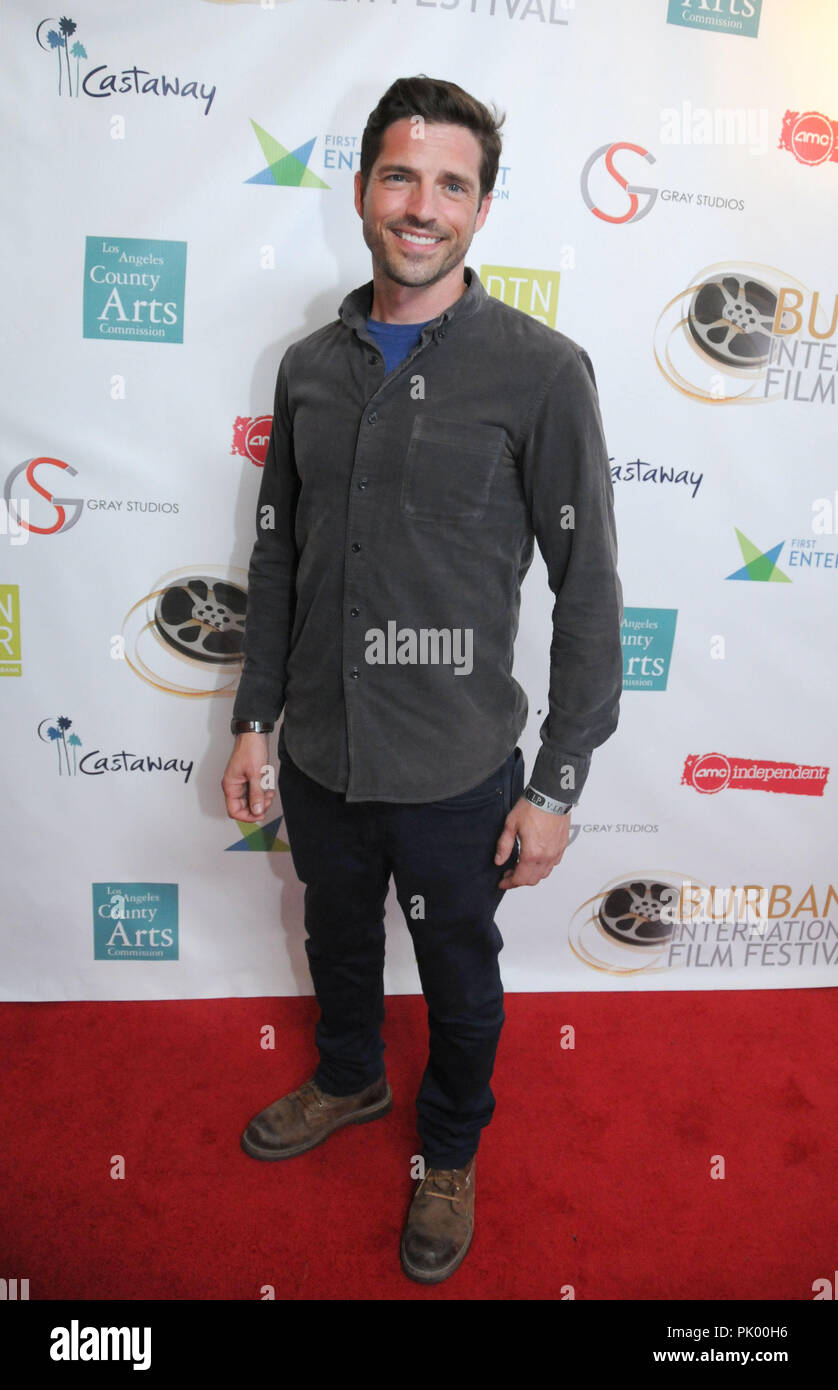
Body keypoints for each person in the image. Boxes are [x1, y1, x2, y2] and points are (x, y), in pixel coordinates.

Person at [222, 75, 622, 1286]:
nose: (421, 203)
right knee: (336, 943)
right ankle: (349, 1077)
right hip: (322, 756)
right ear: (360, 192)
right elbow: (280, 552)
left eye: (452, 183)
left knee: (461, 980)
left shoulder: (540, 371)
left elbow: (588, 584)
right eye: (401, 174)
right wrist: (255, 720)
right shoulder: (304, 369)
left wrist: (555, 783)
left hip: (455, 770)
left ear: (482, 210)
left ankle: (447, 1150)